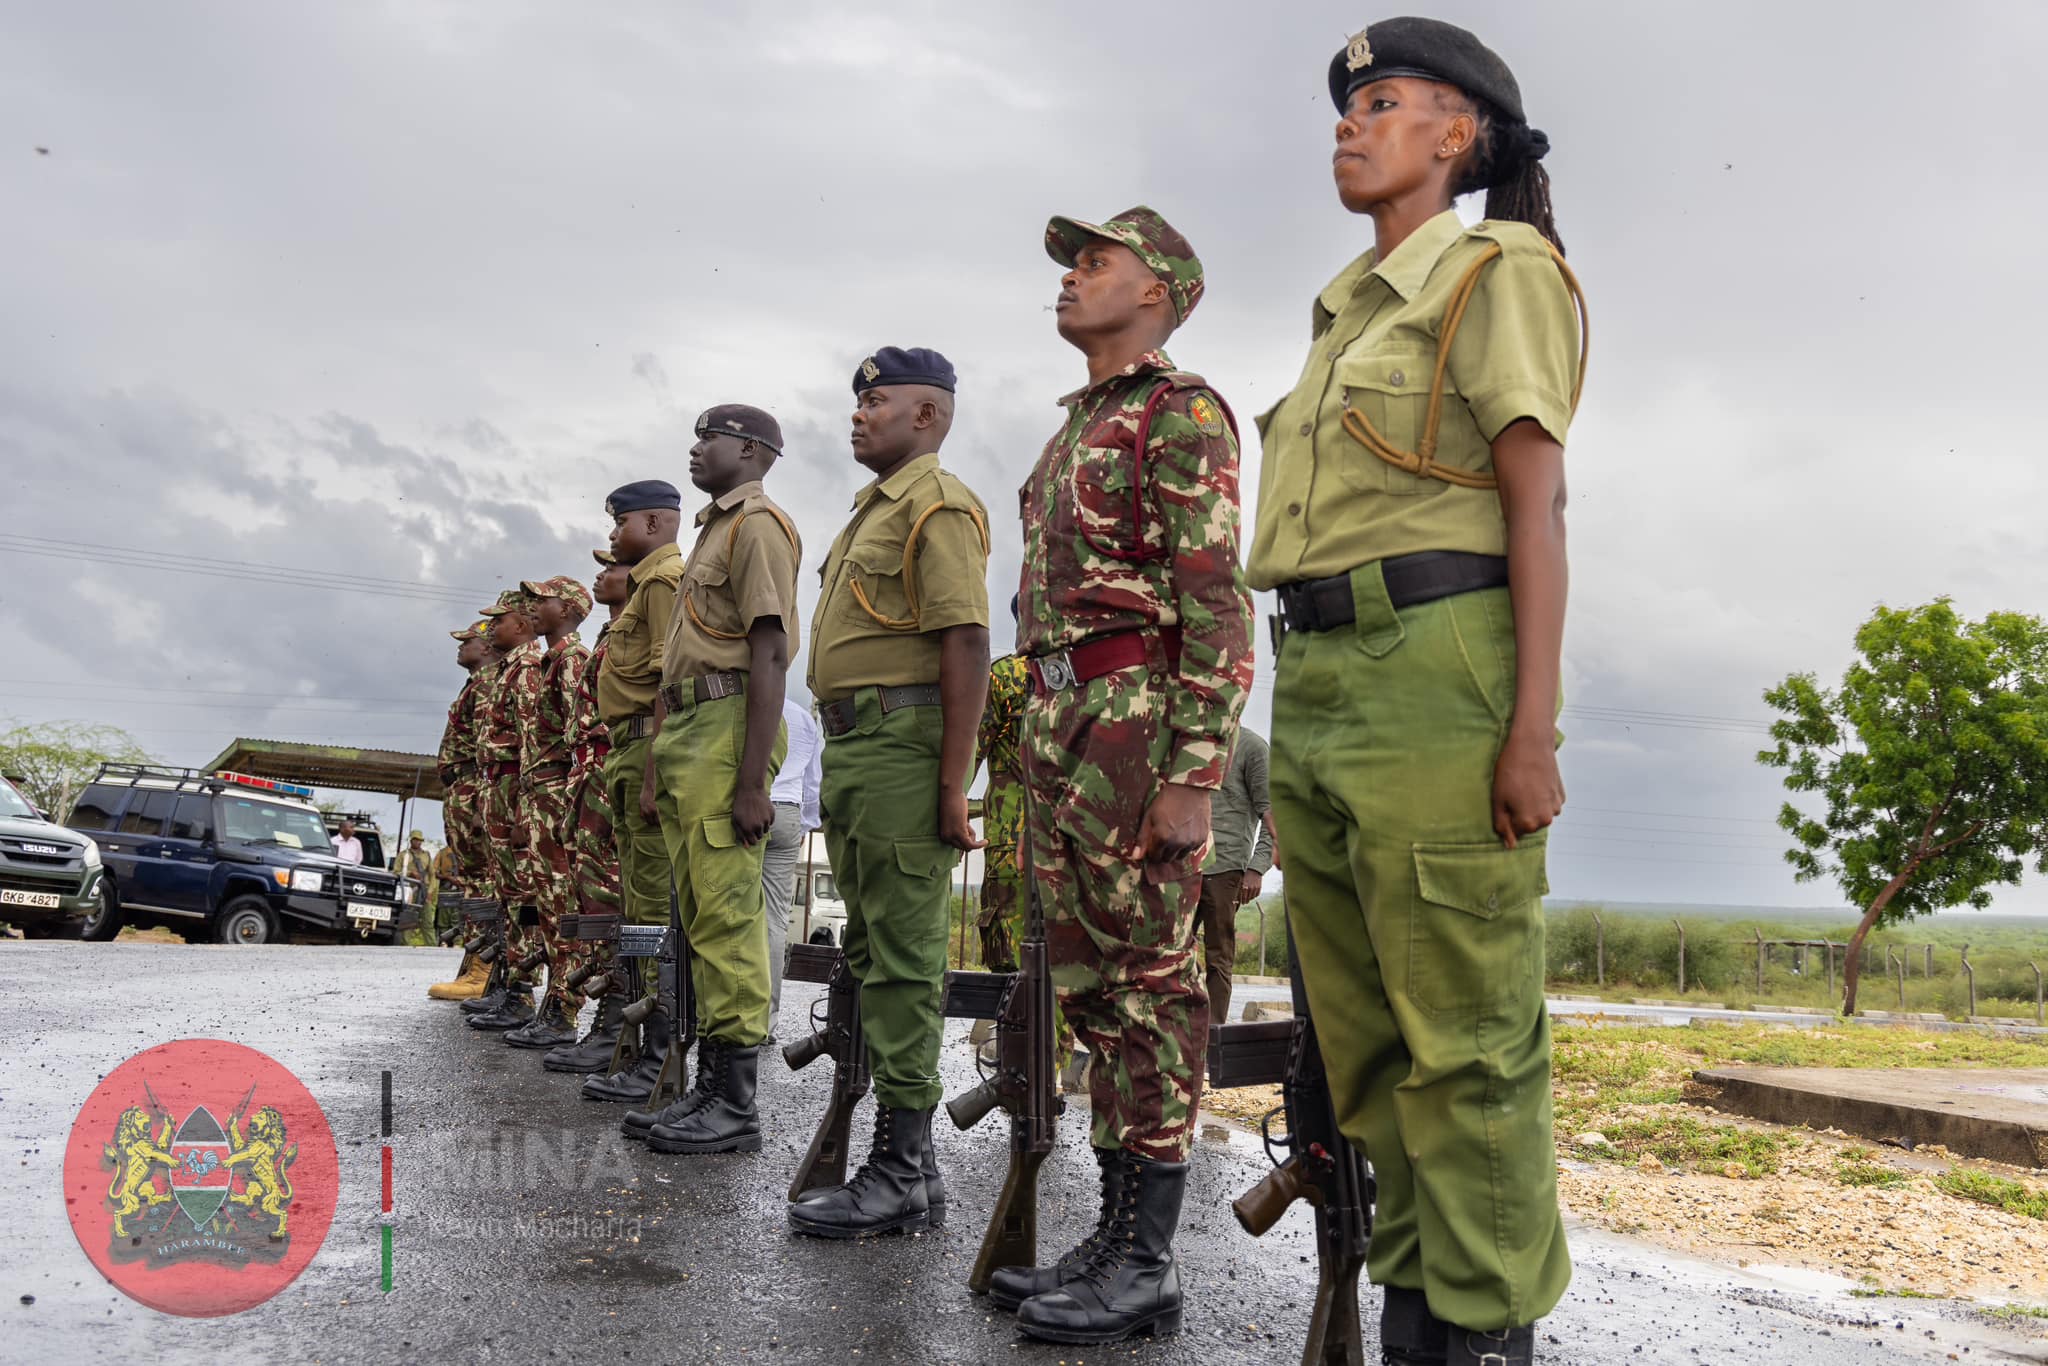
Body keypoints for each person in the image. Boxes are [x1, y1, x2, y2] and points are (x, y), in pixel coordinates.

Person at [1246, 19, 1586, 1364]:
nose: (1351, 121)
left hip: (1437, 658)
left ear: (1460, 135)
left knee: (1467, 1034)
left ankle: (1488, 1328)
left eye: (1382, 101)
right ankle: (1414, 1316)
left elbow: (1536, 502)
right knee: (1366, 1038)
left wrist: (1532, 727)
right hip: (1319, 672)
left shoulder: (1499, 268)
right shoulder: (1342, 306)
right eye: (1347, 105)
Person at [995, 207, 1253, 1344]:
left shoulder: (1178, 411)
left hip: (1134, 716)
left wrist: (1193, 769)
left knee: (1151, 984)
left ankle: (1148, 1257)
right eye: (1070, 262)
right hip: (1065, 716)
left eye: (1095, 261)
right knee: (1095, 989)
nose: (1071, 276)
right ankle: (1109, 1234)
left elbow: (1213, 599)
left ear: (1158, 292)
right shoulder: (1073, 431)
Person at [787, 347, 990, 1239]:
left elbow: (967, 645)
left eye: (880, 400)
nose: (860, 412)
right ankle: (915, 1169)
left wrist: (954, 783)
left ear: (928, 416)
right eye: (857, 400)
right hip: (859, 749)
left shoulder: (935, 507)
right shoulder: (869, 513)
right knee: (870, 954)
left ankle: (900, 1168)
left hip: (905, 751)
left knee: (904, 967)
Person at [627, 405, 800, 1158]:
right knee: (698, 916)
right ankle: (708, 1087)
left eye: (711, 439)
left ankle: (735, 1104)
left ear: (753, 451)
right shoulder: (713, 528)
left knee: (728, 920)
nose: (696, 450)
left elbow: (769, 652)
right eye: (697, 437)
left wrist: (754, 779)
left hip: (730, 727)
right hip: (694, 729)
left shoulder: (758, 524)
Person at [582, 482, 688, 1105]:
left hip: (646, 746)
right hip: (627, 747)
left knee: (651, 912)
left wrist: (652, 771)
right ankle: (643, 1049)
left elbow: (664, 685)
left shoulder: (663, 580)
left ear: (652, 521)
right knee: (637, 908)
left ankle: (658, 1054)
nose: (613, 536)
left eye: (619, 523)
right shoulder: (650, 582)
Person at [545, 550, 634, 1074]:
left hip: (612, 772)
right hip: (590, 780)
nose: (602, 574)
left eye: (613, 567)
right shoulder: (608, 636)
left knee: (616, 901)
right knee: (592, 898)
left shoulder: (633, 632)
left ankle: (618, 1024)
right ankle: (607, 1020)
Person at [504, 575, 596, 1051]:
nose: (533, 607)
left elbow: (579, 739)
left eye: (544, 600)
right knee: (544, 903)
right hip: (539, 796)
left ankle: (565, 1008)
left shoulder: (571, 661)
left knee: (562, 905)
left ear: (570, 608)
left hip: (557, 797)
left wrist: (564, 806)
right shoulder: (551, 660)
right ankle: (553, 1004)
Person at [467, 588, 548, 1032]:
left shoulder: (529, 668)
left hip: (515, 788)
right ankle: (508, 983)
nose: (491, 628)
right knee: (507, 893)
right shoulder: (507, 670)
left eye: (499, 620)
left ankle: (522, 990)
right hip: (498, 786)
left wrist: (521, 809)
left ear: (519, 624)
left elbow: (531, 741)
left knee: (522, 896)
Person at [430, 620, 500, 1001]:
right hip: (464, 785)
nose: (460, 647)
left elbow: (491, 746)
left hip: (474, 786)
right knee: (474, 878)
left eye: (467, 641)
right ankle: (475, 964)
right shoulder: (478, 683)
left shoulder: (488, 684)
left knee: (483, 880)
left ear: (487, 646)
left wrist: (483, 798)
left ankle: (482, 970)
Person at [1193, 727, 1272, 1023]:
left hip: (1225, 867)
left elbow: (1272, 814)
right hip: (1181, 866)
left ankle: (1213, 1035)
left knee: (1218, 957)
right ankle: (1179, 1034)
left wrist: (1256, 867)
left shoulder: (1253, 748)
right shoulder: (1191, 739)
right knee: (1170, 954)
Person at [972, 605, 1029, 973]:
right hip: (1076, 835)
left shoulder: (1005, 677)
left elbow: (969, 752)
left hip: (1010, 836)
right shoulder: (1091, 675)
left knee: (1009, 957)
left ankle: (1014, 1030)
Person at [762, 695, 821, 1026]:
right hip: (787, 812)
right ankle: (767, 1019)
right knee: (775, 920)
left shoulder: (746, 701)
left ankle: (730, 1016)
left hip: (749, 803)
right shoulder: (803, 717)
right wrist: (806, 824)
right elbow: (813, 782)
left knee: (736, 912)